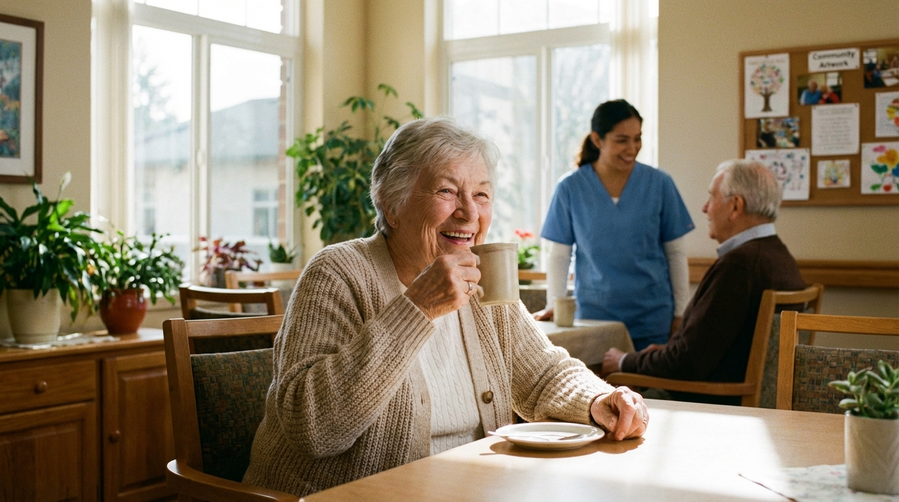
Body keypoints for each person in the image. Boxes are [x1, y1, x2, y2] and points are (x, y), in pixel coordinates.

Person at [242, 116, 648, 497]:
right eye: (446, 191)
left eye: (481, 194)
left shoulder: (482, 276)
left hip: (463, 490)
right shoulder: (338, 272)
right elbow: (313, 428)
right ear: (392, 204)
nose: (469, 212)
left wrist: (599, 401)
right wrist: (416, 308)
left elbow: (543, 374)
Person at [599, 159, 806, 406]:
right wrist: (662, 354)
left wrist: (624, 362)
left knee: (604, 405)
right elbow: (703, 348)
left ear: (735, 206)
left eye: (712, 197)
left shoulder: (739, 266)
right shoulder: (780, 257)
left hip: (708, 403)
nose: (705, 208)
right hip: (738, 398)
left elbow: (687, 362)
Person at [535, 99, 694, 351]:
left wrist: (681, 312)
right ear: (598, 140)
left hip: (653, 319)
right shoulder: (570, 188)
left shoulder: (660, 184)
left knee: (648, 390)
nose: (632, 148)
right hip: (593, 320)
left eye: (637, 138)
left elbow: (675, 253)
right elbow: (559, 255)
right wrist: (555, 304)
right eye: (622, 140)